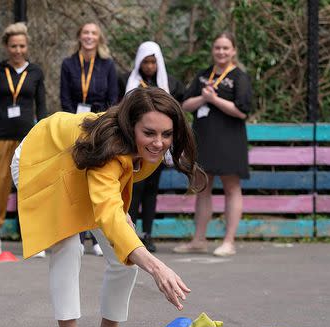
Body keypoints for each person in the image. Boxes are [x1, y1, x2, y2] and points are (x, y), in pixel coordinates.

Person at [11, 87, 204, 327]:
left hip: (81, 165)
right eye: (149, 133)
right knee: (68, 245)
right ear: (130, 126)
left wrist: (121, 220)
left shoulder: (144, 147)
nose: (159, 142)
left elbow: (115, 188)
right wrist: (156, 267)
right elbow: (108, 201)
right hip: (40, 159)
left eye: (166, 134)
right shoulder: (109, 147)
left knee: (123, 247)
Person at [174, 31, 252, 257]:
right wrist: (203, 98)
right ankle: (199, 239)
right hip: (204, 138)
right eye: (218, 47)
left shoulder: (239, 77)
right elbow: (185, 104)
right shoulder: (203, 75)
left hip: (230, 140)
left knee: (231, 187)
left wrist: (214, 99)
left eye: (226, 48)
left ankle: (229, 241)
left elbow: (242, 111)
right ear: (213, 50)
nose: (221, 52)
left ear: (233, 51)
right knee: (202, 188)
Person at [0, 22, 46, 257]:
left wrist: (44, 138)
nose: (17, 50)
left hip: (29, 138)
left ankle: (35, 237)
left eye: (22, 46)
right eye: (13, 46)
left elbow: (43, 108)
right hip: (0, 137)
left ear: (27, 46)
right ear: (6, 47)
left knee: (31, 186)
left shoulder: (36, 72)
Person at [118, 41, 185, 253]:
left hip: (157, 148)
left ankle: (147, 233)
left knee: (150, 191)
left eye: (153, 62)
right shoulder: (126, 81)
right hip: (135, 145)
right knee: (133, 189)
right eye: (145, 62)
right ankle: (132, 232)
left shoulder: (170, 84)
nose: (149, 66)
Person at [60, 22, 118, 256]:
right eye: (85, 32)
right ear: (79, 36)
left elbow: (113, 98)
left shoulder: (108, 65)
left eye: (94, 33)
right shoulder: (68, 64)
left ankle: (96, 237)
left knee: (97, 178)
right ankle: (78, 236)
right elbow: (64, 97)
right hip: (75, 126)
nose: (89, 36)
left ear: (99, 38)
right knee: (75, 179)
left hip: (100, 128)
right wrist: (74, 124)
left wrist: (101, 125)